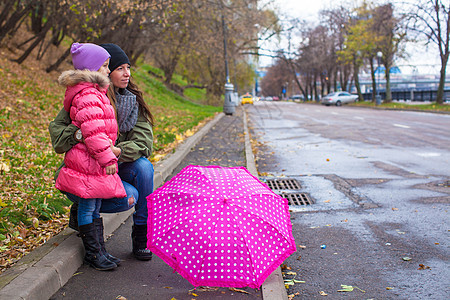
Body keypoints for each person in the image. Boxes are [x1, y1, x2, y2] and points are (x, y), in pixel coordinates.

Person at [49, 43, 154, 262]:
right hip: (87, 170)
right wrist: (82, 133)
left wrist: (116, 151)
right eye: (119, 68)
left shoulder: (131, 101)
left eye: (128, 68)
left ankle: (141, 235)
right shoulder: (88, 97)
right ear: (100, 70)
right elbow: (59, 140)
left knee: (144, 167)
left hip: (112, 164)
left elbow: (145, 143)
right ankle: (82, 212)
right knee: (127, 198)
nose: (127, 74)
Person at [55, 42, 126, 271]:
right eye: (105, 66)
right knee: (88, 207)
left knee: (94, 207)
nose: (108, 69)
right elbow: (93, 132)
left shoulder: (96, 92)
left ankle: (100, 250)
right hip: (88, 161)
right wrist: (108, 158)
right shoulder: (88, 95)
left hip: (92, 159)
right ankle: (93, 254)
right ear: (92, 69)